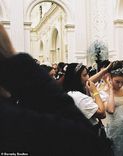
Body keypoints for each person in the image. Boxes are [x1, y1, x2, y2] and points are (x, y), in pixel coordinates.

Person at [0, 23, 110, 155]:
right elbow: (86, 139)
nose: (88, 78)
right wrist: (20, 63)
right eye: (85, 75)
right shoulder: (12, 118)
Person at [63, 63, 106, 133]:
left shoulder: (70, 92)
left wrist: (105, 70)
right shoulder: (78, 97)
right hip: (90, 131)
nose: (88, 77)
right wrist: (95, 92)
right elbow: (102, 113)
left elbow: (89, 81)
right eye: (84, 75)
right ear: (76, 78)